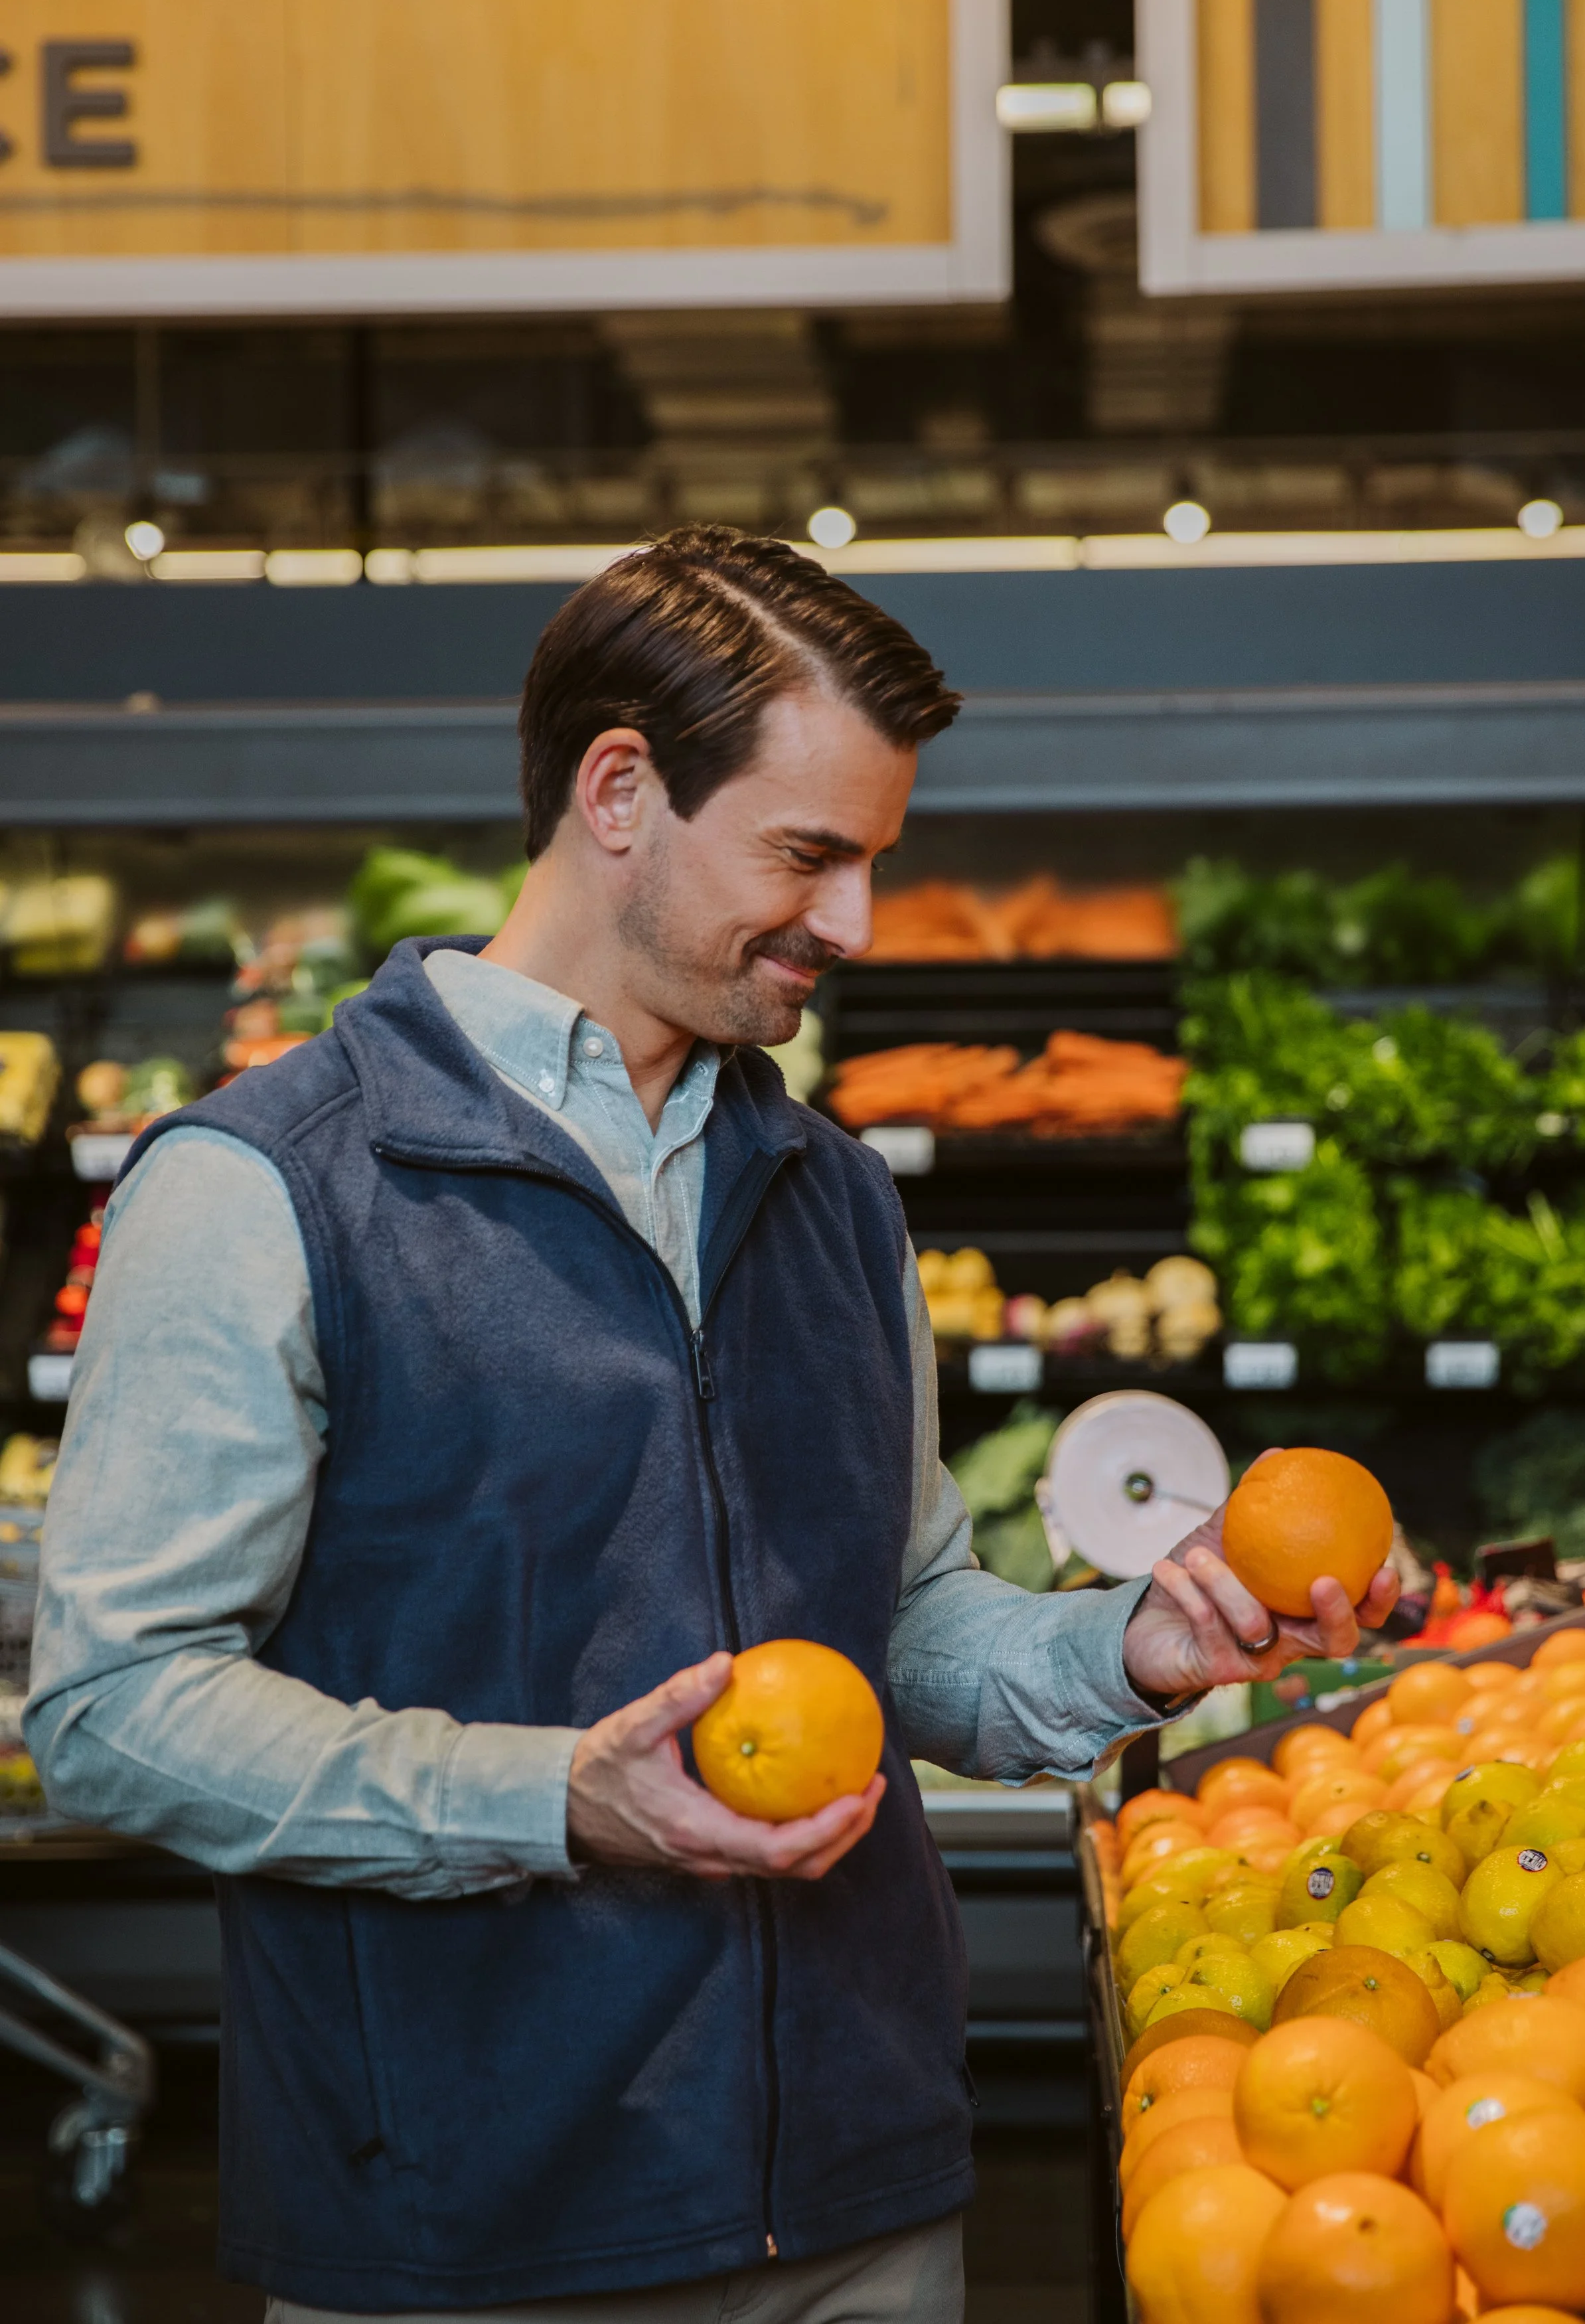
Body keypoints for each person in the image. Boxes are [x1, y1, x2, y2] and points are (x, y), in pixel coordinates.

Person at [27, 526, 1396, 2324]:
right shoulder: (269, 1184)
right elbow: (114, 1706)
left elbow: (902, 1619)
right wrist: (554, 1797)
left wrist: (1124, 1645)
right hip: (466, 2225)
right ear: (618, 791)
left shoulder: (830, 1192)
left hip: (860, 2193)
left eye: (874, 863)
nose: (856, 927)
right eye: (808, 854)